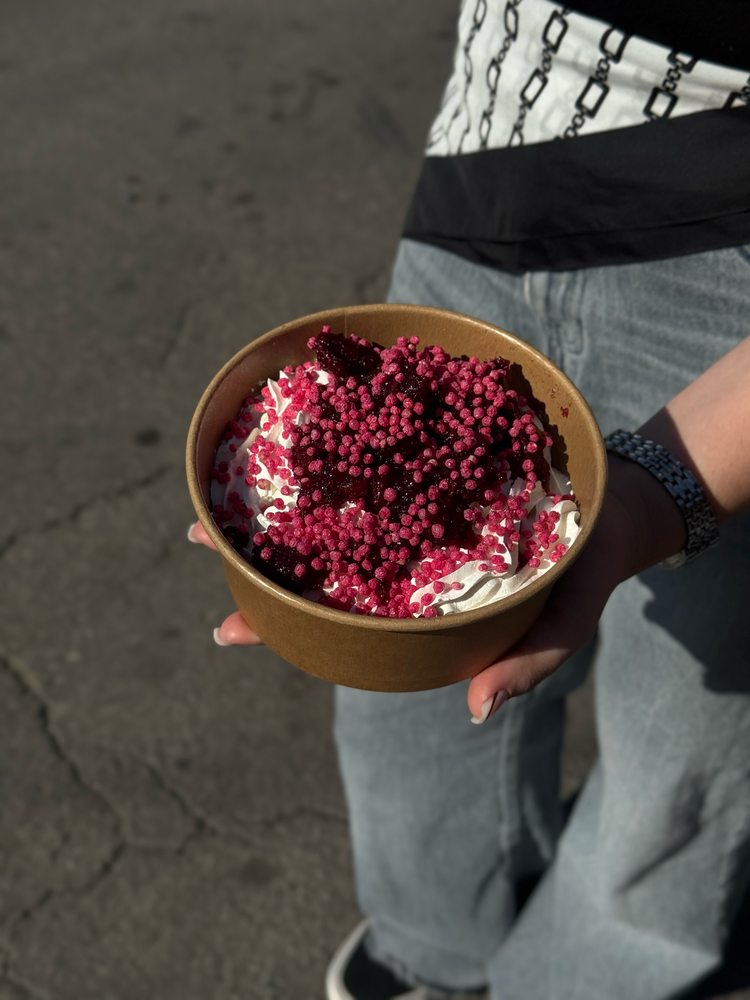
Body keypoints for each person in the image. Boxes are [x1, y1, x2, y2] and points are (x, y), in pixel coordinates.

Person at [190, 1, 750, 997]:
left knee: (681, 748)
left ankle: (601, 977)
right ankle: (433, 947)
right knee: (400, 700)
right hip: (499, 137)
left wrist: (653, 496)